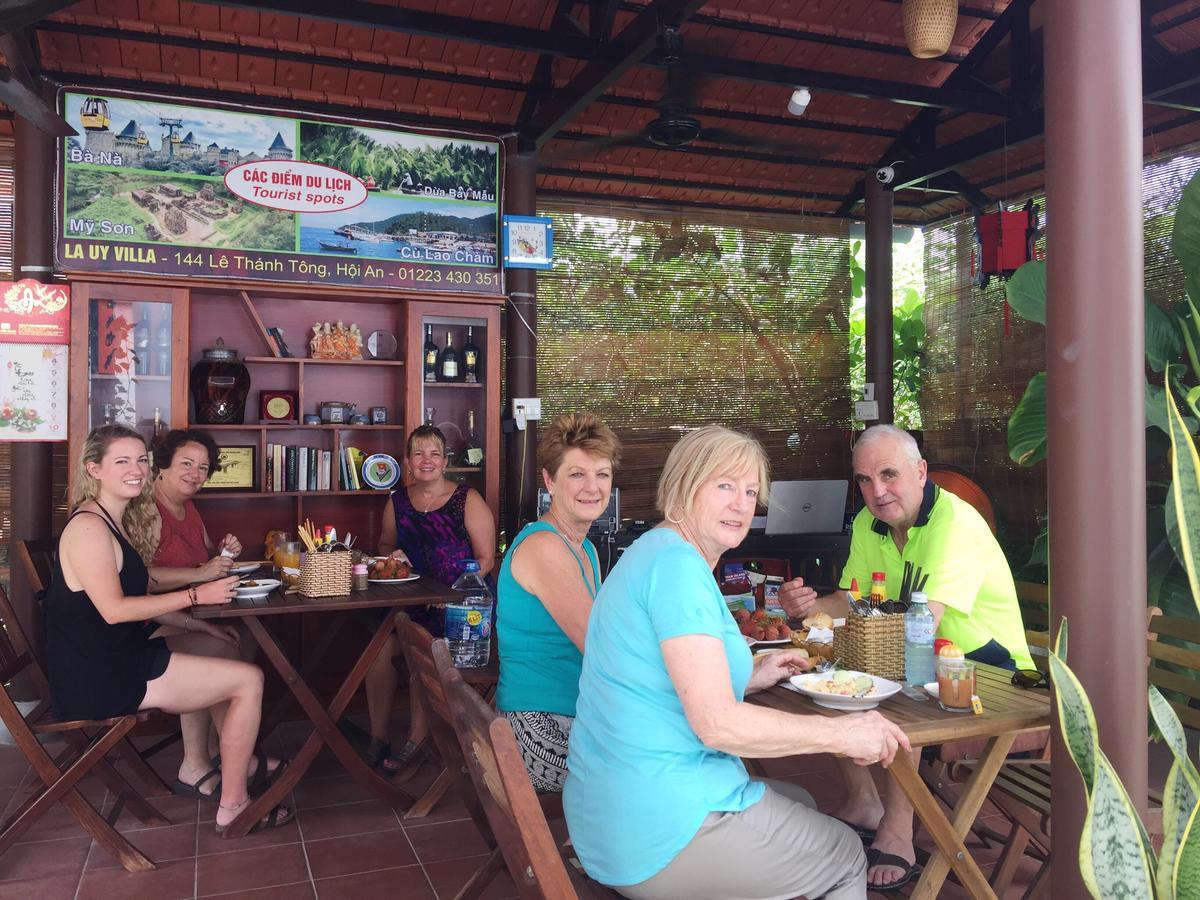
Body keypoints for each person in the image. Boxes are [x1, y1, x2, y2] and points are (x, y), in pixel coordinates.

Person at [564, 425, 909, 900]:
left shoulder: (656, 553)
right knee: (845, 854)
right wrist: (842, 734)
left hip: (609, 805)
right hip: (656, 828)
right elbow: (717, 726)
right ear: (684, 485)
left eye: (750, 492)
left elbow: (657, 680)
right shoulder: (679, 570)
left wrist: (748, 676)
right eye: (724, 485)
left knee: (803, 801)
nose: (742, 504)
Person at [779, 423, 1034, 891]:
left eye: (889, 475)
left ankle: (900, 832)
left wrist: (847, 645)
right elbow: (853, 604)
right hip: (926, 657)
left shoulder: (953, 523)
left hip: (993, 674)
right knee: (830, 681)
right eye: (865, 480)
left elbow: (923, 627)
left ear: (921, 472)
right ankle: (863, 803)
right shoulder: (867, 525)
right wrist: (808, 608)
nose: (877, 491)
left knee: (899, 691)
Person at [45, 425, 292, 834]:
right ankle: (234, 806)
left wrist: (194, 623)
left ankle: (218, 764)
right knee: (249, 681)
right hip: (98, 677)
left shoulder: (111, 519)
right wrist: (195, 597)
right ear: (94, 469)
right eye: (121, 461)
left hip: (116, 658)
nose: (136, 469)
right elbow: (113, 611)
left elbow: (135, 591)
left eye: (141, 459)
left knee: (223, 650)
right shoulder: (89, 528)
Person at [146, 428, 278, 801]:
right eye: (186, 464)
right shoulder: (147, 509)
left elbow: (205, 559)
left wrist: (223, 552)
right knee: (219, 649)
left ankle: (204, 759)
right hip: (152, 623)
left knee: (242, 637)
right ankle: (238, 759)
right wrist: (198, 575)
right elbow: (137, 578)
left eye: (203, 467)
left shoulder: (187, 507)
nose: (195, 474)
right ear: (163, 466)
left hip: (188, 611)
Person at [496, 413, 620, 791]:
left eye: (602, 474)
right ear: (550, 480)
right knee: (666, 763)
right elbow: (602, 647)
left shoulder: (584, 549)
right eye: (577, 474)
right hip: (538, 727)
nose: (592, 487)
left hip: (574, 711)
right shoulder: (545, 547)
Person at [365, 424, 496, 772]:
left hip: (463, 605)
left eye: (434, 453)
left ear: (445, 460)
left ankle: (416, 740)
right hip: (411, 600)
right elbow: (384, 544)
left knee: (420, 650)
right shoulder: (398, 501)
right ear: (407, 461)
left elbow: (486, 560)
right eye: (419, 453)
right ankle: (377, 738)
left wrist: (452, 593)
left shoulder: (466, 499)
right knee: (376, 653)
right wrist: (393, 555)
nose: (427, 460)